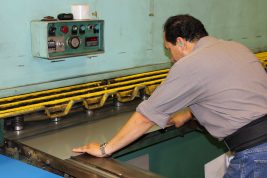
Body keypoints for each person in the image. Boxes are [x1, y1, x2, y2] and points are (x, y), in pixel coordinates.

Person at [73, 14, 267, 177]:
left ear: (180, 42)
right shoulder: (234, 47)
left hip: (256, 153)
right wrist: (190, 113)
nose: (171, 58)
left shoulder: (191, 63)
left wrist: (104, 149)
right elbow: (225, 90)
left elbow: (145, 118)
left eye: (169, 49)